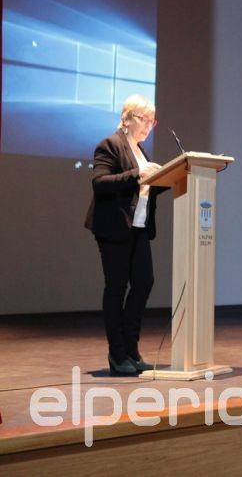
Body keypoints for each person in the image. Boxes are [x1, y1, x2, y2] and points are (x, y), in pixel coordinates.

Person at [84, 94, 166, 375]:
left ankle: (131, 350)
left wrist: (166, 178)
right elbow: (100, 182)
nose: (148, 126)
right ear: (127, 118)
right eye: (144, 119)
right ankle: (118, 354)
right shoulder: (110, 144)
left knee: (144, 282)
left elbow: (143, 188)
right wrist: (138, 173)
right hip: (114, 227)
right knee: (116, 288)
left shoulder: (141, 151)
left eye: (152, 121)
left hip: (139, 227)